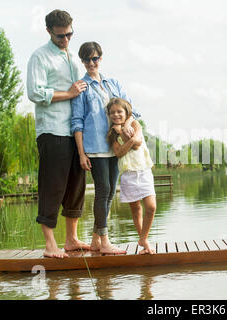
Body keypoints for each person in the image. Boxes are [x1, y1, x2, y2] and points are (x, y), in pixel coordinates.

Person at [27, 9, 90, 258]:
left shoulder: (72, 56)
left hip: (75, 130)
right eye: (60, 36)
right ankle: (50, 244)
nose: (66, 40)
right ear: (49, 32)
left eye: (69, 34)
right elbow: (35, 93)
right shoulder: (39, 57)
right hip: (52, 129)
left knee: (76, 183)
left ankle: (72, 239)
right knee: (53, 185)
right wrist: (69, 93)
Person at [71, 42, 142, 254]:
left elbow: (130, 109)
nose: (91, 63)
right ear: (82, 61)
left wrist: (127, 125)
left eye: (94, 59)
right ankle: (105, 242)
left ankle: (95, 241)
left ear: (100, 59)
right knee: (103, 192)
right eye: (86, 59)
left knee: (110, 192)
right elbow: (77, 122)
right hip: (95, 148)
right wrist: (81, 153)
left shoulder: (113, 84)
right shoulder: (82, 88)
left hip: (115, 147)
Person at [107, 98, 157, 255]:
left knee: (151, 207)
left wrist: (122, 132)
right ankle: (144, 242)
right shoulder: (111, 134)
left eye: (119, 111)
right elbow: (119, 153)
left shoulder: (135, 125)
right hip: (128, 175)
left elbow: (137, 143)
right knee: (136, 209)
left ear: (127, 112)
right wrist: (123, 137)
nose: (116, 115)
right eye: (112, 112)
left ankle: (143, 237)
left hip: (144, 171)